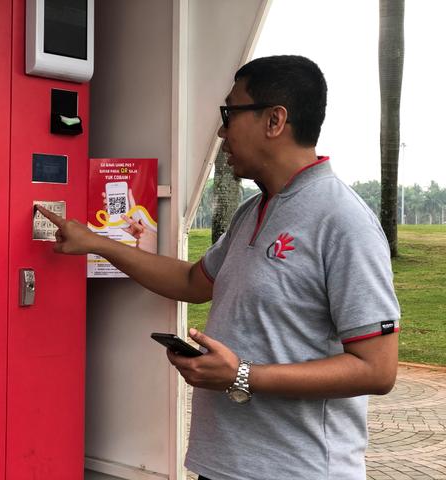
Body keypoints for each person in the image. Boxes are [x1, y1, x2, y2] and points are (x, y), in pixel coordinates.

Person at [36, 55, 400, 480]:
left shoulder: (342, 221)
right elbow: (192, 281)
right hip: (224, 464)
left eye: (230, 113)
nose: (222, 131)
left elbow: (377, 369)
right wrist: (97, 243)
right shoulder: (254, 211)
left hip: (298, 471)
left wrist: (243, 375)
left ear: (274, 121)